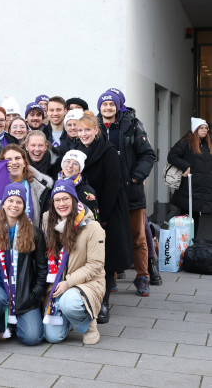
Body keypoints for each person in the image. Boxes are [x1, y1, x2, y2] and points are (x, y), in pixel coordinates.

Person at [97, 90, 156, 296]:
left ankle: (142, 277)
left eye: (111, 104)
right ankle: (110, 277)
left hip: (131, 192)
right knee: (109, 236)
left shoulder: (132, 125)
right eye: (104, 105)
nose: (107, 108)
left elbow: (148, 155)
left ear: (118, 105)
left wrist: (136, 177)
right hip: (108, 194)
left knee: (138, 237)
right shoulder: (94, 127)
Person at [75, 111, 132, 324]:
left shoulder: (108, 151)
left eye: (87, 130)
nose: (83, 134)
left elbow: (112, 185)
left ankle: (103, 302)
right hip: (82, 212)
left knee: (105, 261)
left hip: (106, 212)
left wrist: (102, 217)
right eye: (80, 130)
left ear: (96, 130)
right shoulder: (77, 150)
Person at [0, 184, 46, 345]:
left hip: (24, 294)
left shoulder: (34, 233)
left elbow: (43, 269)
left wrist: (34, 295)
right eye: (10, 200)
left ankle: (14, 323)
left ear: (24, 206)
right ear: (3, 203)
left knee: (32, 338)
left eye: (19, 202)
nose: (14, 205)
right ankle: (0, 323)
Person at [41, 180, 105, 345]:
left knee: (68, 302)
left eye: (66, 199)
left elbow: (95, 266)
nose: (61, 204)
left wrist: (68, 283)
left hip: (87, 283)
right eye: (57, 200)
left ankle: (89, 324)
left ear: (74, 201)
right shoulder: (47, 220)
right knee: (52, 337)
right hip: (56, 283)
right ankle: (68, 318)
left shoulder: (93, 227)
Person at [168, 117, 212, 232]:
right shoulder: (186, 142)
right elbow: (172, 156)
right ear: (195, 129)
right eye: (201, 128)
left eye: (206, 128)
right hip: (189, 187)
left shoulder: (208, 144)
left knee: (195, 216)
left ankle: (191, 244)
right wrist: (186, 166)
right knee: (186, 215)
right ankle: (182, 244)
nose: (205, 130)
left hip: (202, 187)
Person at [0, 144, 53, 227]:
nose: (14, 162)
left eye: (17, 158)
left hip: (31, 236)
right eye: (9, 159)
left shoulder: (40, 187)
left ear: (24, 162)